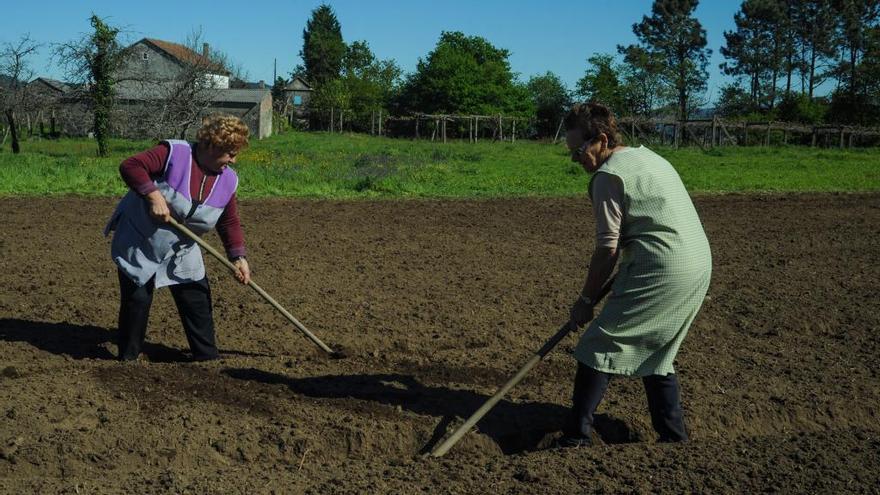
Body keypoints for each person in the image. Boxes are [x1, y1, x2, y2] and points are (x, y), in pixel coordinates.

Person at [559, 102, 712, 447]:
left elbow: (607, 249)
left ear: (600, 139)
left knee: (598, 345)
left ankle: (575, 437)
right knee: (658, 351)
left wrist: (585, 301)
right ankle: (673, 438)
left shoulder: (608, 176)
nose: (575, 159)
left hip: (661, 265)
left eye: (578, 150)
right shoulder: (648, 157)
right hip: (696, 262)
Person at [104, 114, 252, 361]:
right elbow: (130, 166)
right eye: (230, 153)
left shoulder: (228, 180)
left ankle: (207, 358)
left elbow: (228, 220)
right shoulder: (175, 153)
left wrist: (238, 256)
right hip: (142, 241)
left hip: (183, 246)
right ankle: (128, 359)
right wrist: (153, 195)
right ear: (212, 146)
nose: (233, 160)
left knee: (196, 295)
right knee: (137, 298)